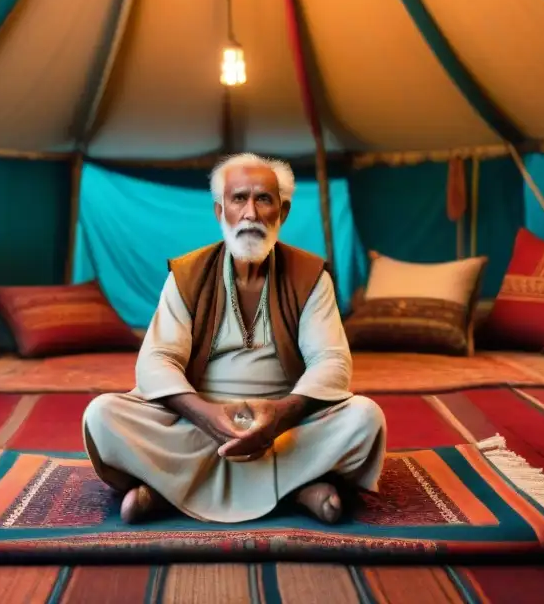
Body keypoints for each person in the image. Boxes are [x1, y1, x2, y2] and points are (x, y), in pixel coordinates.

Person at [82, 153, 386, 525]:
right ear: (219, 211)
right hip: (196, 425)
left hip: (282, 429)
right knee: (102, 416)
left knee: (364, 418)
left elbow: (332, 362)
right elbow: (156, 360)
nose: (251, 214)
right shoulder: (187, 274)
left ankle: (170, 489)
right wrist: (206, 415)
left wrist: (279, 416)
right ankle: (299, 487)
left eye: (264, 199)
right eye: (239, 198)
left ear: (283, 212)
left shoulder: (310, 276)